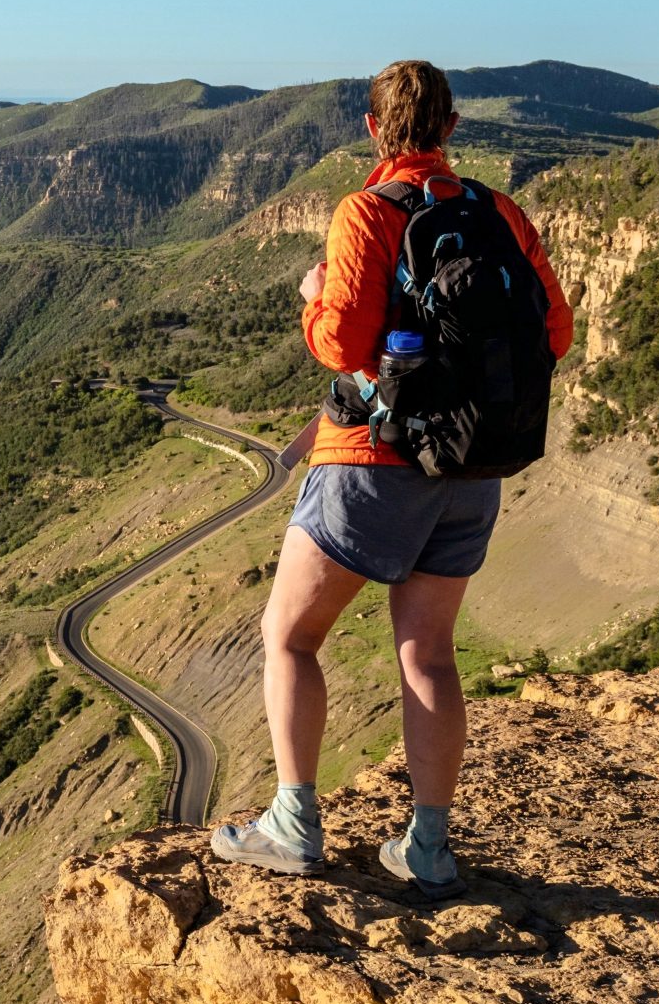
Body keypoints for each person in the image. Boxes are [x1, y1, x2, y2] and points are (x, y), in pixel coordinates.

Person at [210, 59, 573, 899]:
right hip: (473, 464)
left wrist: (311, 295)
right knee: (430, 655)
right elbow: (553, 330)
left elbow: (340, 344)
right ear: (451, 130)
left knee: (291, 635)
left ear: (374, 130)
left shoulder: (367, 211)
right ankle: (429, 848)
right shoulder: (500, 212)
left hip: (373, 464)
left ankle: (294, 826)